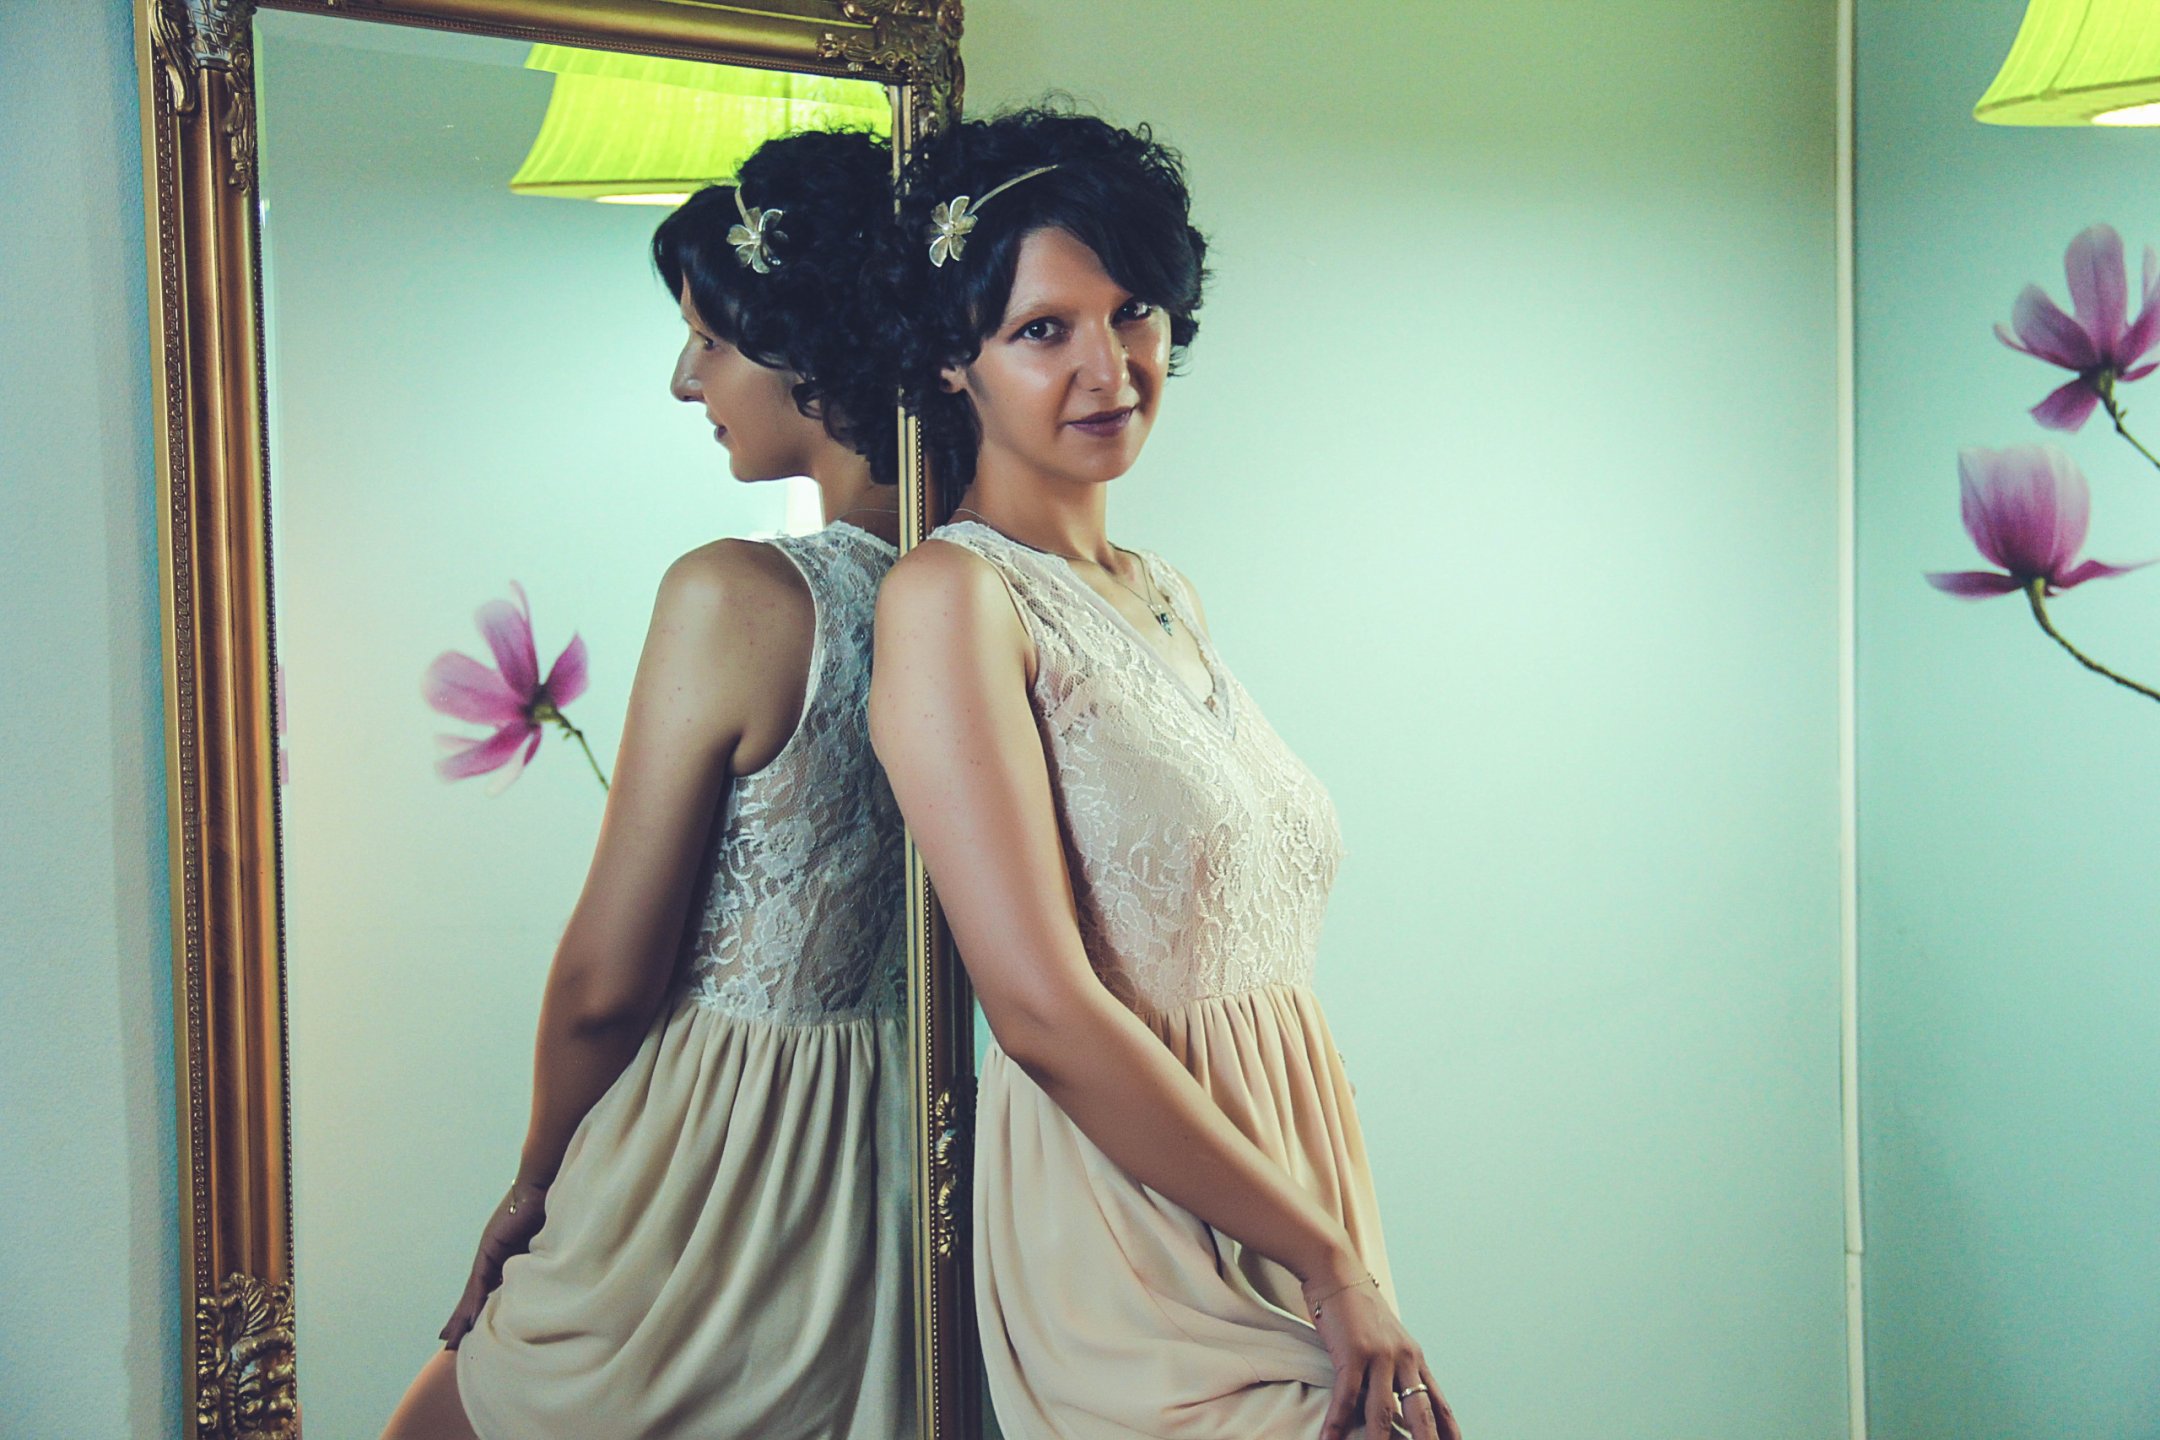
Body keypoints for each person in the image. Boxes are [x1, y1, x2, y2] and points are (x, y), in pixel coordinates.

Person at [869, 109, 1461, 1440]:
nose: (1110, 368)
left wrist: (1329, 1250)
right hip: (1124, 1230)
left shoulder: (1164, 595)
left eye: (1131, 310)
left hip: (1285, 1186)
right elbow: (1038, 1008)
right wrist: (1324, 1261)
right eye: (1044, 329)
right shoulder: (953, 598)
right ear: (953, 359)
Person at [381, 128, 913, 1440]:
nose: (687, 380)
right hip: (916, 1176)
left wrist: (534, 1187)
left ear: (805, 346)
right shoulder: (998, 587)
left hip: (719, 1172)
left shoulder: (740, 595)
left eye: (709, 339)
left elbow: (606, 982)